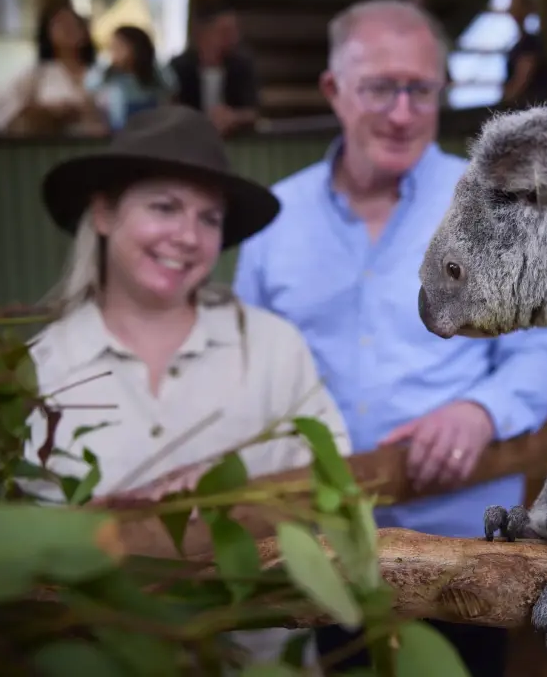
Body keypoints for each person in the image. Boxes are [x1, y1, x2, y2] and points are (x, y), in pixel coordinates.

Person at [232, 0, 547, 675]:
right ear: (334, 90)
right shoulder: (274, 220)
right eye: (379, 87)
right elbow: (242, 371)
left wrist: (482, 412)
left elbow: (540, 349)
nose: (400, 112)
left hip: (462, 549)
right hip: (321, 544)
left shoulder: (494, 209)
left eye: (419, 89)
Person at [22, 104, 350, 672]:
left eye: (209, 218)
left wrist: (238, 498)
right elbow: (21, 546)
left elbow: (334, 484)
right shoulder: (42, 368)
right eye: (164, 207)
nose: (188, 237)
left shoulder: (272, 347)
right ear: (102, 212)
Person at [0, 4, 106, 136]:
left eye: (74, 24)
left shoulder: (103, 70)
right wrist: (47, 113)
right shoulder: (38, 74)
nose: (68, 29)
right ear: (48, 33)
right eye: (60, 24)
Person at [168, 5, 261, 136]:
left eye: (235, 31)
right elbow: (170, 109)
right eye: (225, 32)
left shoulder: (241, 65)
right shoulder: (179, 66)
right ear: (204, 33)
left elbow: (253, 111)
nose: (234, 38)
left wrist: (233, 116)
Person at [84, 25, 177, 131]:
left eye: (119, 46)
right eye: (112, 47)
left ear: (138, 48)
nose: (114, 52)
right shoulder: (106, 77)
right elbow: (91, 97)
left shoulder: (159, 75)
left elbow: (170, 101)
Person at [501, 0, 547, 105]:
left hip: (532, 105)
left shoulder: (530, 43)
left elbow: (523, 77)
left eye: (515, 5)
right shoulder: (519, 44)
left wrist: (507, 101)